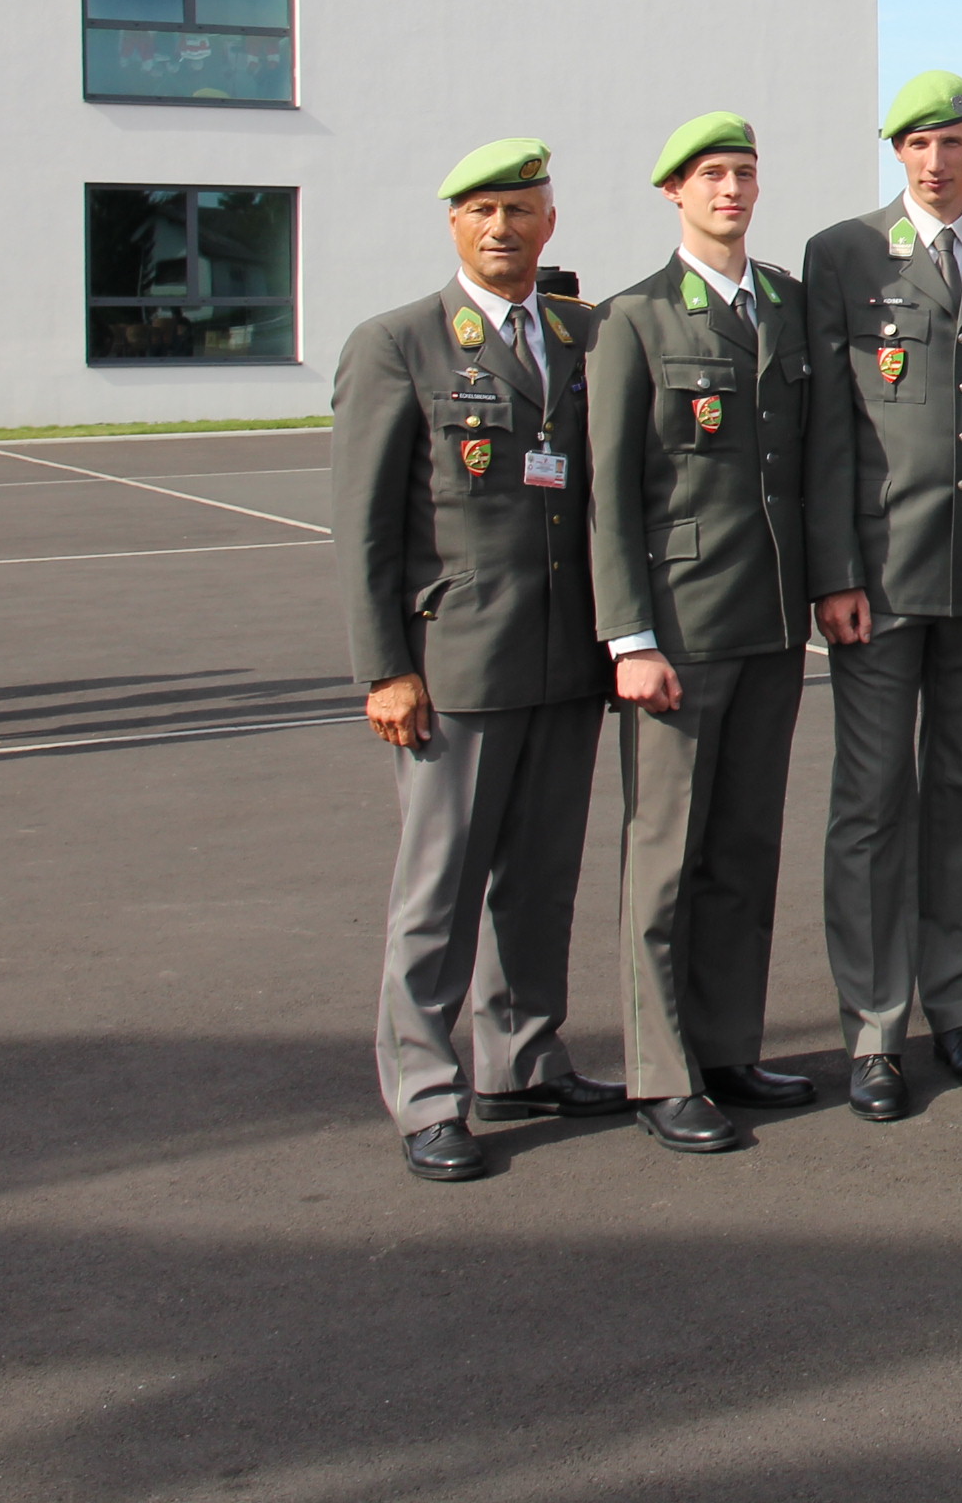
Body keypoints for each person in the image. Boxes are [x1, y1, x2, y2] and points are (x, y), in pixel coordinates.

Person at [331, 139, 622, 1184]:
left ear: (551, 221)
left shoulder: (584, 335)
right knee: (440, 890)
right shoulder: (398, 343)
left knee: (541, 881)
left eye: (521, 209)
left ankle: (522, 1057)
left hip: (565, 656)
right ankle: (425, 1091)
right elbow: (365, 526)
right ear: (454, 222)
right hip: (454, 665)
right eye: (483, 210)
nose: (504, 228)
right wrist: (383, 668)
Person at [802, 69, 962, 1122]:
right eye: (916, 143)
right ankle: (874, 1029)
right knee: (871, 805)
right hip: (882, 577)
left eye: (952, 141)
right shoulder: (845, 254)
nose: (936, 160)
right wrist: (833, 572)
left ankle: (960, 1008)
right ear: (897, 153)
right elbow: (827, 426)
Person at [585, 114, 819, 1156]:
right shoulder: (634, 318)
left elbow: (812, 460)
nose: (731, 189)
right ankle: (660, 1073)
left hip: (771, 622)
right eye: (711, 175)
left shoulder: (787, 304)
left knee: (744, 849)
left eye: (744, 173)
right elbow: (609, 494)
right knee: (665, 860)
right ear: (674, 193)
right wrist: (629, 638)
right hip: (679, 630)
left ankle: (728, 1049)